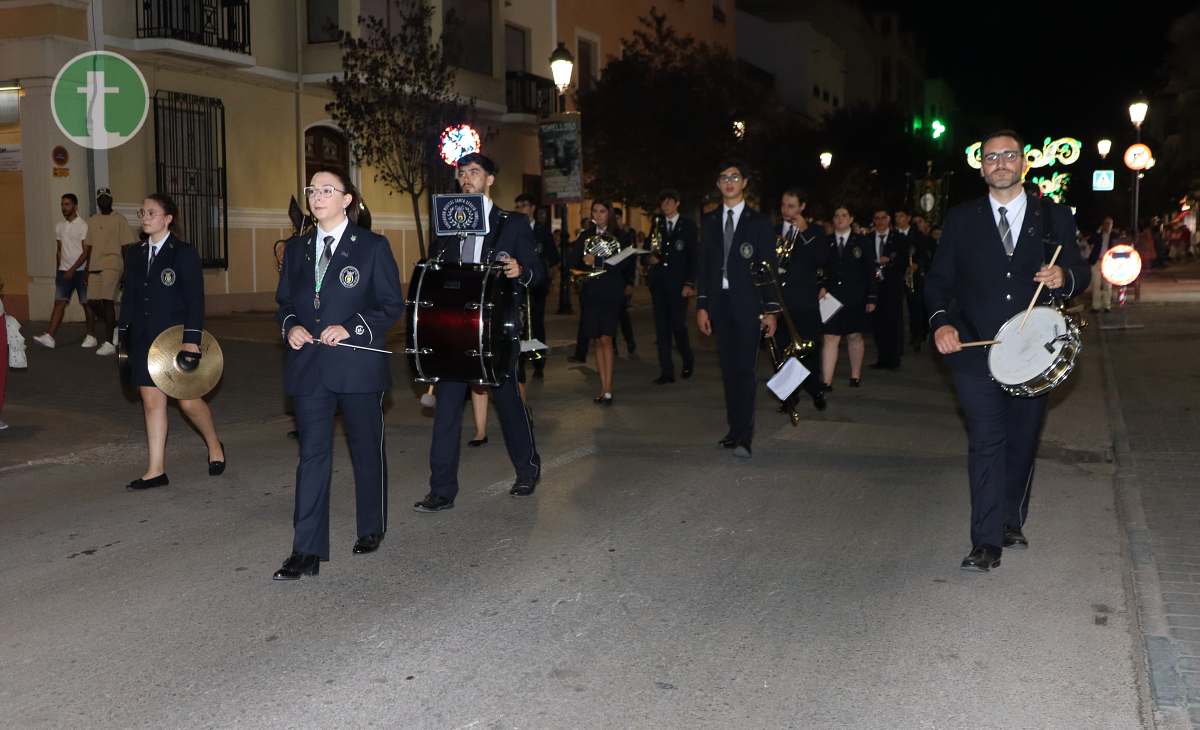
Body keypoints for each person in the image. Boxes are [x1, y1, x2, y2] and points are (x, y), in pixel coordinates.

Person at [926, 129, 1089, 573]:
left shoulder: (1053, 216)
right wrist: (941, 323)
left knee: (1021, 440)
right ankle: (986, 541)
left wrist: (1065, 279)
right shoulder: (960, 219)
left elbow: (1080, 269)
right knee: (986, 441)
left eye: (1009, 155)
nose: (1000, 163)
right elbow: (939, 280)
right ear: (981, 167)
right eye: (991, 156)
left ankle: (1011, 518)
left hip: (1034, 352)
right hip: (975, 348)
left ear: (1023, 163)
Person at [273, 170, 404, 580]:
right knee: (312, 455)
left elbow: (391, 305)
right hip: (310, 366)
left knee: (366, 449)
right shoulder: (297, 249)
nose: (317, 196)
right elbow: (285, 303)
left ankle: (371, 527)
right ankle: (306, 550)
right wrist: (290, 326)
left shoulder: (371, 247)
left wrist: (353, 327)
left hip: (356, 364)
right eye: (313, 190)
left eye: (327, 190)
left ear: (348, 200)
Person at [414, 153, 542, 514]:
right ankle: (441, 491)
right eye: (462, 173)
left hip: (495, 331)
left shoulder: (512, 224)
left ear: (490, 180)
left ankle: (527, 471)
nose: (466, 178)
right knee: (447, 409)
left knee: (508, 403)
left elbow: (539, 272)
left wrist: (521, 270)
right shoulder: (447, 224)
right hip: (454, 332)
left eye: (474, 172)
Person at [118, 193, 226, 491]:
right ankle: (156, 470)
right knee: (152, 403)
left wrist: (192, 341)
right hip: (142, 338)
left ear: (168, 219)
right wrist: (122, 333)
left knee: (189, 402)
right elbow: (129, 298)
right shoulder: (134, 253)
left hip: (175, 341)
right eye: (143, 212)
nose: (145, 217)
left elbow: (194, 300)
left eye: (152, 212)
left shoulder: (183, 253)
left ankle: (214, 444)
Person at [695, 160, 778, 459]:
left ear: (744, 183)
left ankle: (745, 435)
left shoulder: (759, 222)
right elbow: (703, 267)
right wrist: (702, 305)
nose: (729, 182)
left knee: (745, 370)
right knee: (728, 371)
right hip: (720, 304)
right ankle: (733, 430)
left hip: (749, 305)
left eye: (735, 177)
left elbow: (770, 268)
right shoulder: (710, 220)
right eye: (724, 178)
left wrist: (771, 310)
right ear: (718, 185)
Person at [567, 200, 635, 405]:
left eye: (602, 211)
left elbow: (625, 263)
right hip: (591, 292)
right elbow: (573, 261)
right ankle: (603, 388)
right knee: (597, 339)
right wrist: (581, 264)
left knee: (607, 338)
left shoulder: (622, 235)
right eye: (595, 211)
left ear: (610, 213)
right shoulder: (585, 235)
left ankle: (608, 388)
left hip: (611, 291)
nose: (598, 214)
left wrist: (596, 261)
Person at [774, 189, 827, 412]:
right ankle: (790, 397)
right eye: (784, 205)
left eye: (792, 206)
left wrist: (805, 233)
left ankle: (815, 389)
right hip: (779, 300)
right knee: (784, 348)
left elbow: (822, 259)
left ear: (802, 207)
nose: (787, 210)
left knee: (808, 348)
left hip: (804, 300)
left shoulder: (814, 231)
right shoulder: (774, 230)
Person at [820, 207, 876, 389]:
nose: (839, 219)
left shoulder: (862, 242)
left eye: (844, 215)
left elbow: (870, 271)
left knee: (854, 336)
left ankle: (855, 375)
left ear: (851, 219)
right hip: (829, 297)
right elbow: (818, 269)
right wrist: (819, 287)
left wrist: (871, 297)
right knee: (830, 337)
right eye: (836, 216)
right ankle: (826, 381)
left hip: (855, 297)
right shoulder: (826, 242)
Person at [645, 189, 697, 384]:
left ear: (677, 203)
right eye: (662, 203)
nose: (665, 206)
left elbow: (693, 257)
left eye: (668, 202)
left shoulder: (688, 226)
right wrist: (648, 259)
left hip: (679, 285)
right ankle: (666, 371)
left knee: (678, 326)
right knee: (661, 329)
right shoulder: (657, 224)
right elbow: (649, 248)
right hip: (659, 284)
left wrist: (689, 283)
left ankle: (687, 359)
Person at [34, 194, 95, 349]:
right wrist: (58, 271)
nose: (63, 207)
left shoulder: (83, 225)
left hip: (80, 271)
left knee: (86, 304)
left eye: (67, 204)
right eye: (62, 204)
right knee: (59, 303)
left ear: (75, 206)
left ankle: (91, 336)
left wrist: (72, 270)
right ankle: (49, 337)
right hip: (63, 272)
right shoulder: (59, 226)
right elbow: (59, 250)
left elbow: (86, 252)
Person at [515, 193, 559, 379]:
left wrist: (549, 277)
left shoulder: (542, 231)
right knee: (520, 324)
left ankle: (538, 361)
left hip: (537, 285)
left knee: (537, 323)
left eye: (524, 205)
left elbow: (553, 258)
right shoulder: (515, 229)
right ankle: (521, 360)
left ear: (532, 208)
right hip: (519, 284)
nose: (521, 209)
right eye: (518, 206)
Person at [86, 187, 135, 356]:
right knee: (91, 301)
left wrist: (127, 271)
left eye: (107, 198)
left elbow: (126, 247)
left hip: (113, 263)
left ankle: (108, 343)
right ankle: (113, 325)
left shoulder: (119, 220)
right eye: (101, 198)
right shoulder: (92, 220)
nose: (104, 200)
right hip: (94, 265)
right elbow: (89, 247)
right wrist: (86, 269)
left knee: (107, 301)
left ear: (111, 200)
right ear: (98, 202)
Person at [868, 209, 906, 369]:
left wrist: (890, 260)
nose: (880, 221)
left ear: (889, 219)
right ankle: (882, 358)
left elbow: (904, 260)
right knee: (877, 324)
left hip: (892, 287)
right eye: (877, 218)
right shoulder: (868, 239)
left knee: (893, 322)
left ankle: (894, 358)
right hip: (875, 287)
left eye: (883, 218)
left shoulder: (899, 238)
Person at [895, 209, 931, 352]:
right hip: (898, 276)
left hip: (914, 277)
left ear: (908, 218)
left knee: (915, 307)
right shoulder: (894, 235)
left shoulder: (918, 235)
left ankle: (917, 337)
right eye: (896, 216)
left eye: (901, 216)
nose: (899, 219)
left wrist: (917, 264)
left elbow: (924, 255)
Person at [1086, 216, 1116, 313]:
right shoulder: (1098, 235)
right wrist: (1098, 231)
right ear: (1102, 225)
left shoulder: (1114, 236)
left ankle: (1107, 305)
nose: (1108, 226)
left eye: (1109, 224)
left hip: (1108, 263)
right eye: (1106, 223)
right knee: (1096, 284)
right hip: (1097, 261)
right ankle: (1096, 306)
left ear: (1112, 225)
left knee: (1107, 285)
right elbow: (1089, 241)